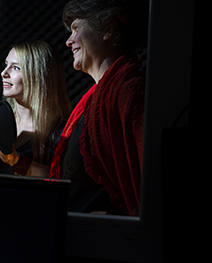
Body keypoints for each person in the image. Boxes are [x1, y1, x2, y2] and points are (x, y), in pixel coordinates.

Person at [49, 0, 149, 216]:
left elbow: (146, 177)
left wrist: (119, 219)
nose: (68, 41)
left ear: (107, 29)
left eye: (76, 29)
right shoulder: (92, 99)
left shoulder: (129, 91)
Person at [0, 40, 72, 177]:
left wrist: (15, 160)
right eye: (6, 65)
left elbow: (62, 180)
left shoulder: (63, 130)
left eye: (16, 67)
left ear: (38, 76)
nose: (3, 73)